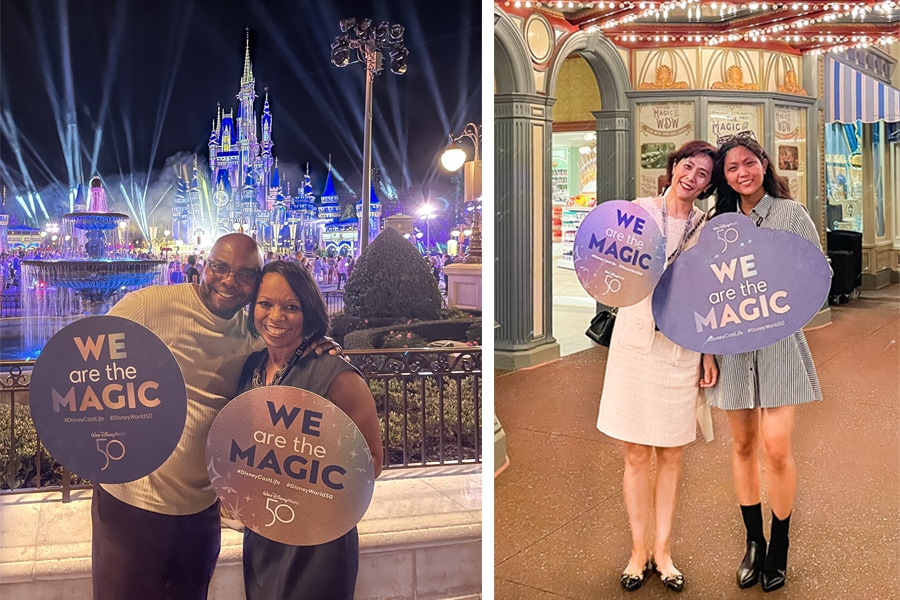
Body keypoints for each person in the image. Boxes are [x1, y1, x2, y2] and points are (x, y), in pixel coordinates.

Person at [91, 233, 338, 600]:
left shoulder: (252, 332)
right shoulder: (149, 306)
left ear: (255, 282)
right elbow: (86, 364)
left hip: (201, 511)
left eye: (244, 274)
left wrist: (319, 342)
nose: (229, 281)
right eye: (220, 267)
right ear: (204, 267)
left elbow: (289, 341)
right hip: (132, 504)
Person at [596, 140, 720, 593]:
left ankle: (663, 552)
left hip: (680, 347)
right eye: (688, 166)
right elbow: (604, 263)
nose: (692, 177)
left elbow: (709, 295)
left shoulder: (706, 228)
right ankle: (637, 551)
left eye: (703, 174)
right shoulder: (639, 212)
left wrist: (707, 352)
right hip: (635, 342)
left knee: (671, 452)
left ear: (708, 185)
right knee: (634, 454)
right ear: (674, 166)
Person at [707, 131, 826, 593]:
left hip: (779, 345)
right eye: (732, 168)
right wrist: (706, 349)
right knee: (742, 445)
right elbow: (706, 291)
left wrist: (784, 307)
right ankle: (753, 542)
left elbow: (818, 272)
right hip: (733, 348)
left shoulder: (791, 215)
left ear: (764, 164)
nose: (743, 173)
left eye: (749, 163)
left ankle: (780, 545)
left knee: (776, 447)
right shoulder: (718, 223)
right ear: (725, 177)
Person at [238, 260, 383, 600]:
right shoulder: (250, 367)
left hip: (319, 542)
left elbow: (372, 462)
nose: (276, 317)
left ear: (309, 312)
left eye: (291, 307)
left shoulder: (336, 375)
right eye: (265, 304)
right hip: (263, 536)